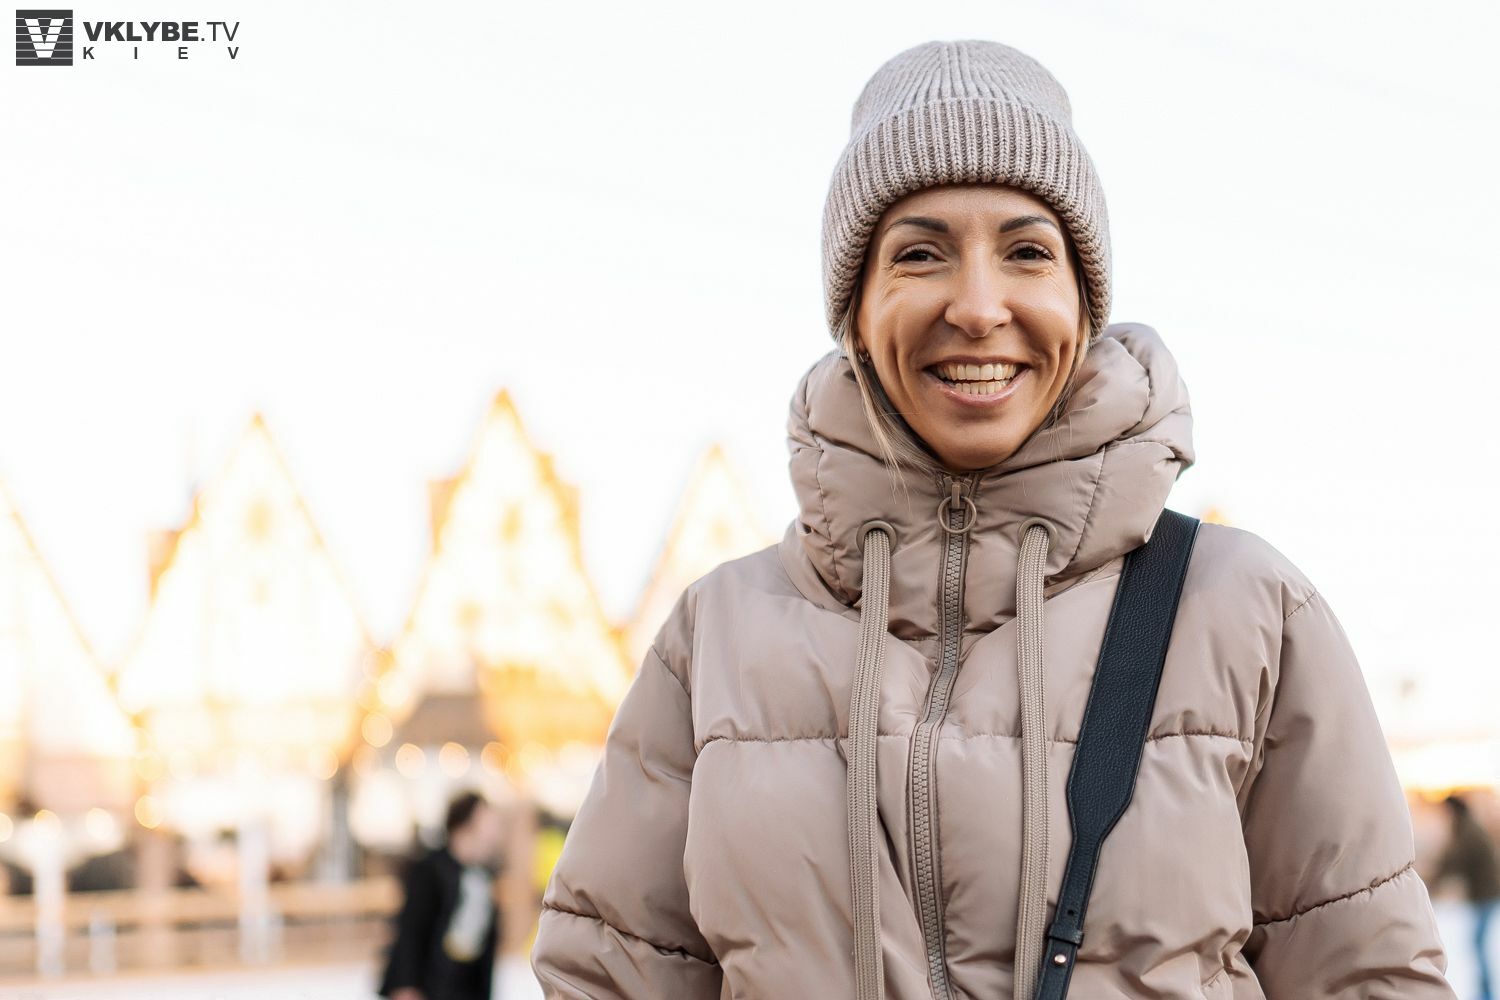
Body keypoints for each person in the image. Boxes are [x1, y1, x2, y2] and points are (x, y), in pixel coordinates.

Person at [530, 38, 1454, 998]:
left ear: (1083, 303)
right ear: (855, 311)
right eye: (920, 254)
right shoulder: (716, 636)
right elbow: (606, 976)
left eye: (1027, 252)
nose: (977, 307)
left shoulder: (1245, 610)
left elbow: (1371, 976)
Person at [379, 791, 505, 1000]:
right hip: (431, 985)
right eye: (487, 822)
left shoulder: (483, 877)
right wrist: (406, 984)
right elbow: (411, 930)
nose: (494, 832)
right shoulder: (430, 870)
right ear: (465, 825)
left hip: (466, 988)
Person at [1434, 794, 1500, 999]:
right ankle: (1484, 991)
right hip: (1484, 894)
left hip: (1486, 894)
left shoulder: (1468, 832)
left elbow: (1453, 861)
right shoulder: (1468, 828)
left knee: (1478, 944)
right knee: (1477, 944)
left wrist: (1431, 882)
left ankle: (1486, 993)